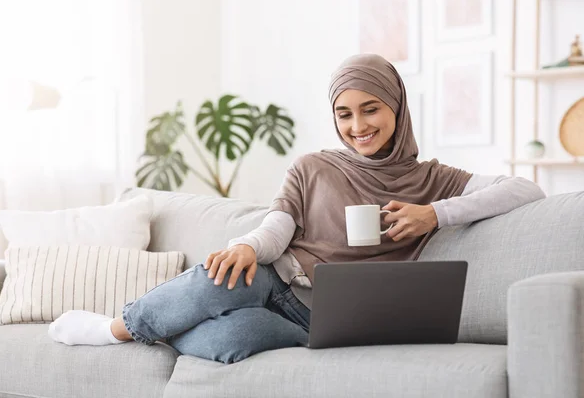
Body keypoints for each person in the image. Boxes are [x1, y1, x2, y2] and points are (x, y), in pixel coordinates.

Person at [48, 53, 545, 364]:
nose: (358, 126)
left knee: (230, 343)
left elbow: (526, 189)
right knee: (215, 278)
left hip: (322, 321)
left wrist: (434, 214)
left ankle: (165, 329)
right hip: (279, 279)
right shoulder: (314, 166)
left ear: (396, 106)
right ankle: (113, 330)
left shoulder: (433, 179)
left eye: (371, 109)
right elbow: (279, 222)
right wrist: (247, 246)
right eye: (344, 113)